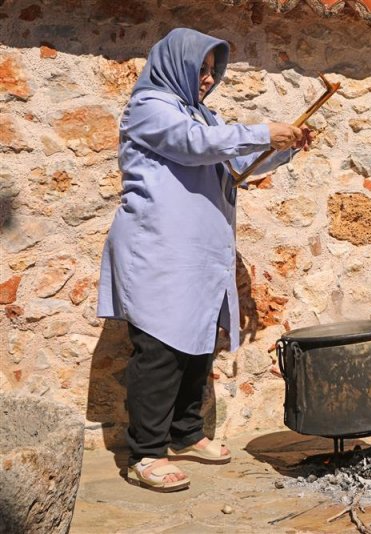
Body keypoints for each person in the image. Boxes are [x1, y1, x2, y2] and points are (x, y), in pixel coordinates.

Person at [97, 28, 311, 492]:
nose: (208, 80)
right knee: (159, 350)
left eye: (214, 71)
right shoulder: (149, 108)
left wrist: (282, 147)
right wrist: (259, 131)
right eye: (201, 70)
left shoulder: (202, 115)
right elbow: (194, 144)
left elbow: (233, 166)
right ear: (177, 64)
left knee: (195, 344)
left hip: (195, 254)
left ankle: (185, 434)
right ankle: (146, 453)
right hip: (157, 248)